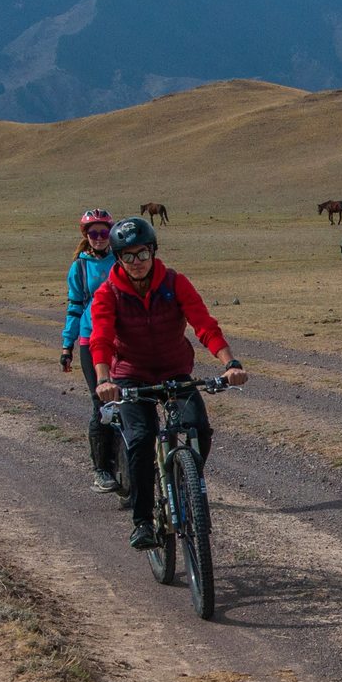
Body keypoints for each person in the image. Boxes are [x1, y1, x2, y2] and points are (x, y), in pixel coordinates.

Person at [89, 217, 248, 549]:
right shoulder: (109, 293)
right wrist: (104, 380)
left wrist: (229, 363)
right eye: (128, 256)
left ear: (153, 251)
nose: (136, 262)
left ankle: (184, 480)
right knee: (142, 439)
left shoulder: (174, 282)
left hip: (175, 370)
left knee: (198, 428)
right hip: (131, 375)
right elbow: (101, 337)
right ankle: (144, 521)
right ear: (118, 258)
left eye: (142, 253)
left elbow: (204, 325)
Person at [61, 209, 122, 492]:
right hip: (90, 338)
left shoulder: (122, 259)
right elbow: (74, 308)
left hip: (122, 338)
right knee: (102, 404)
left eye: (103, 232)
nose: (99, 238)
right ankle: (101, 468)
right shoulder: (80, 267)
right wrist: (67, 346)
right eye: (93, 233)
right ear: (86, 236)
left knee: (130, 401)